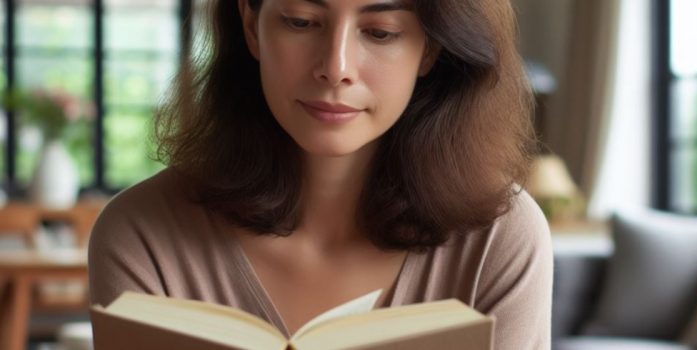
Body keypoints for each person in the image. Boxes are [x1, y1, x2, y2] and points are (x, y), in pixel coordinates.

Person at [88, 0, 553, 348]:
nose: (336, 68)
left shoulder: (501, 239)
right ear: (252, 26)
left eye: (381, 31)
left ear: (429, 48)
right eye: (300, 21)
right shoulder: (141, 235)